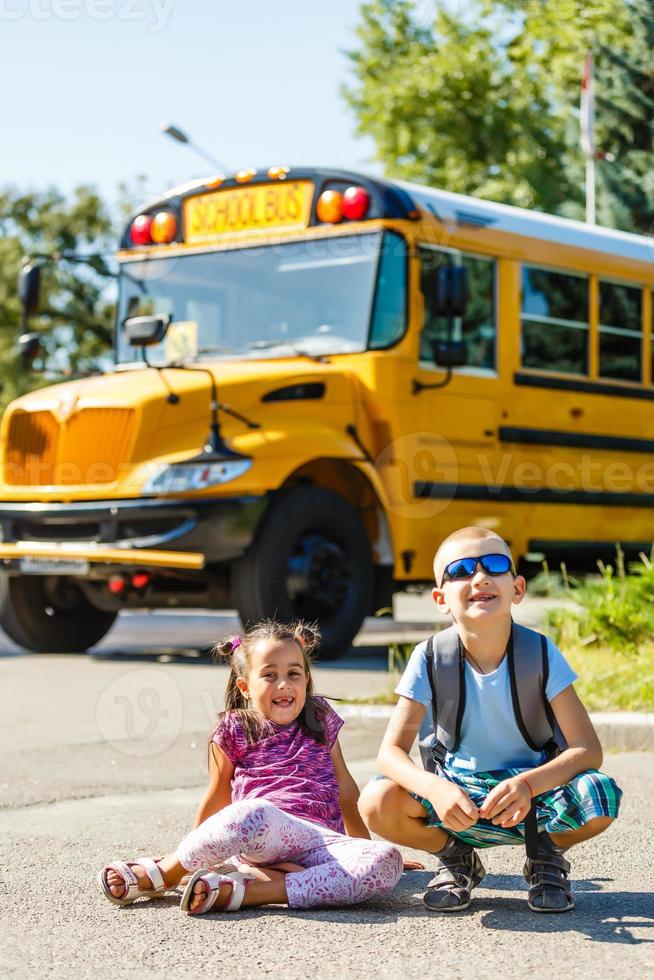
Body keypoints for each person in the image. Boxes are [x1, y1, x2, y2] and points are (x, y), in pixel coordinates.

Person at [358, 526, 622, 914]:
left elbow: (587, 750)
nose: (479, 577)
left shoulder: (541, 654)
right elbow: (390, 754)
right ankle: (457, 859)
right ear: (440, 598)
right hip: (457, 795)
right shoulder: (429, 658)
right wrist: (435, 789)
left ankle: (545, 857)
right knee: (377, 801)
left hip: (530, 796)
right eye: (461, 569)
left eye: (494, 566)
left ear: (517, 588)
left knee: (601, 795)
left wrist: (528, 785)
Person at [99, 619, 403, 915]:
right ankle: (166, 872)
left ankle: (250, 891)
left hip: (320, 842)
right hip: (264, 831)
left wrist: (361, 849)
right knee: (253, 812)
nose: (284, 684)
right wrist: (192, 858)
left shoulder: (320, 717)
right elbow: (218, 797)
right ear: (245, 687)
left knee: (388, 861)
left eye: (294, 673)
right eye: (270, 675)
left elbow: (346, 789)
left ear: (306, 680)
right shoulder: (234, 727)